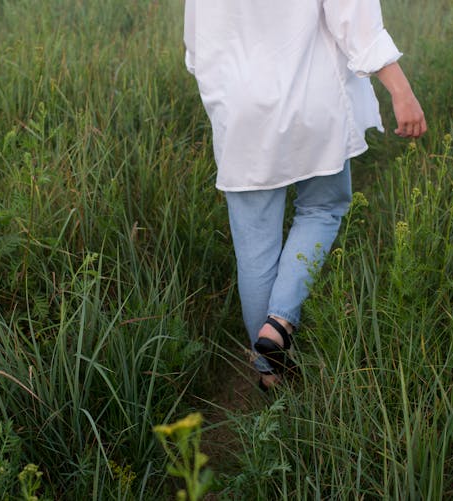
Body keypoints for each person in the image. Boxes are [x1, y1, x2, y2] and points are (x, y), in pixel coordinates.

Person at [183, 0, 427, 390]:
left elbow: (197, 42)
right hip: (313, 100)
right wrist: (402, 91)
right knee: (322, 209)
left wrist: (226, 91)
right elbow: (355, 21)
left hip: (239, 107)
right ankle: (279, 323)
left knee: (256, 251)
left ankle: (268, 375)